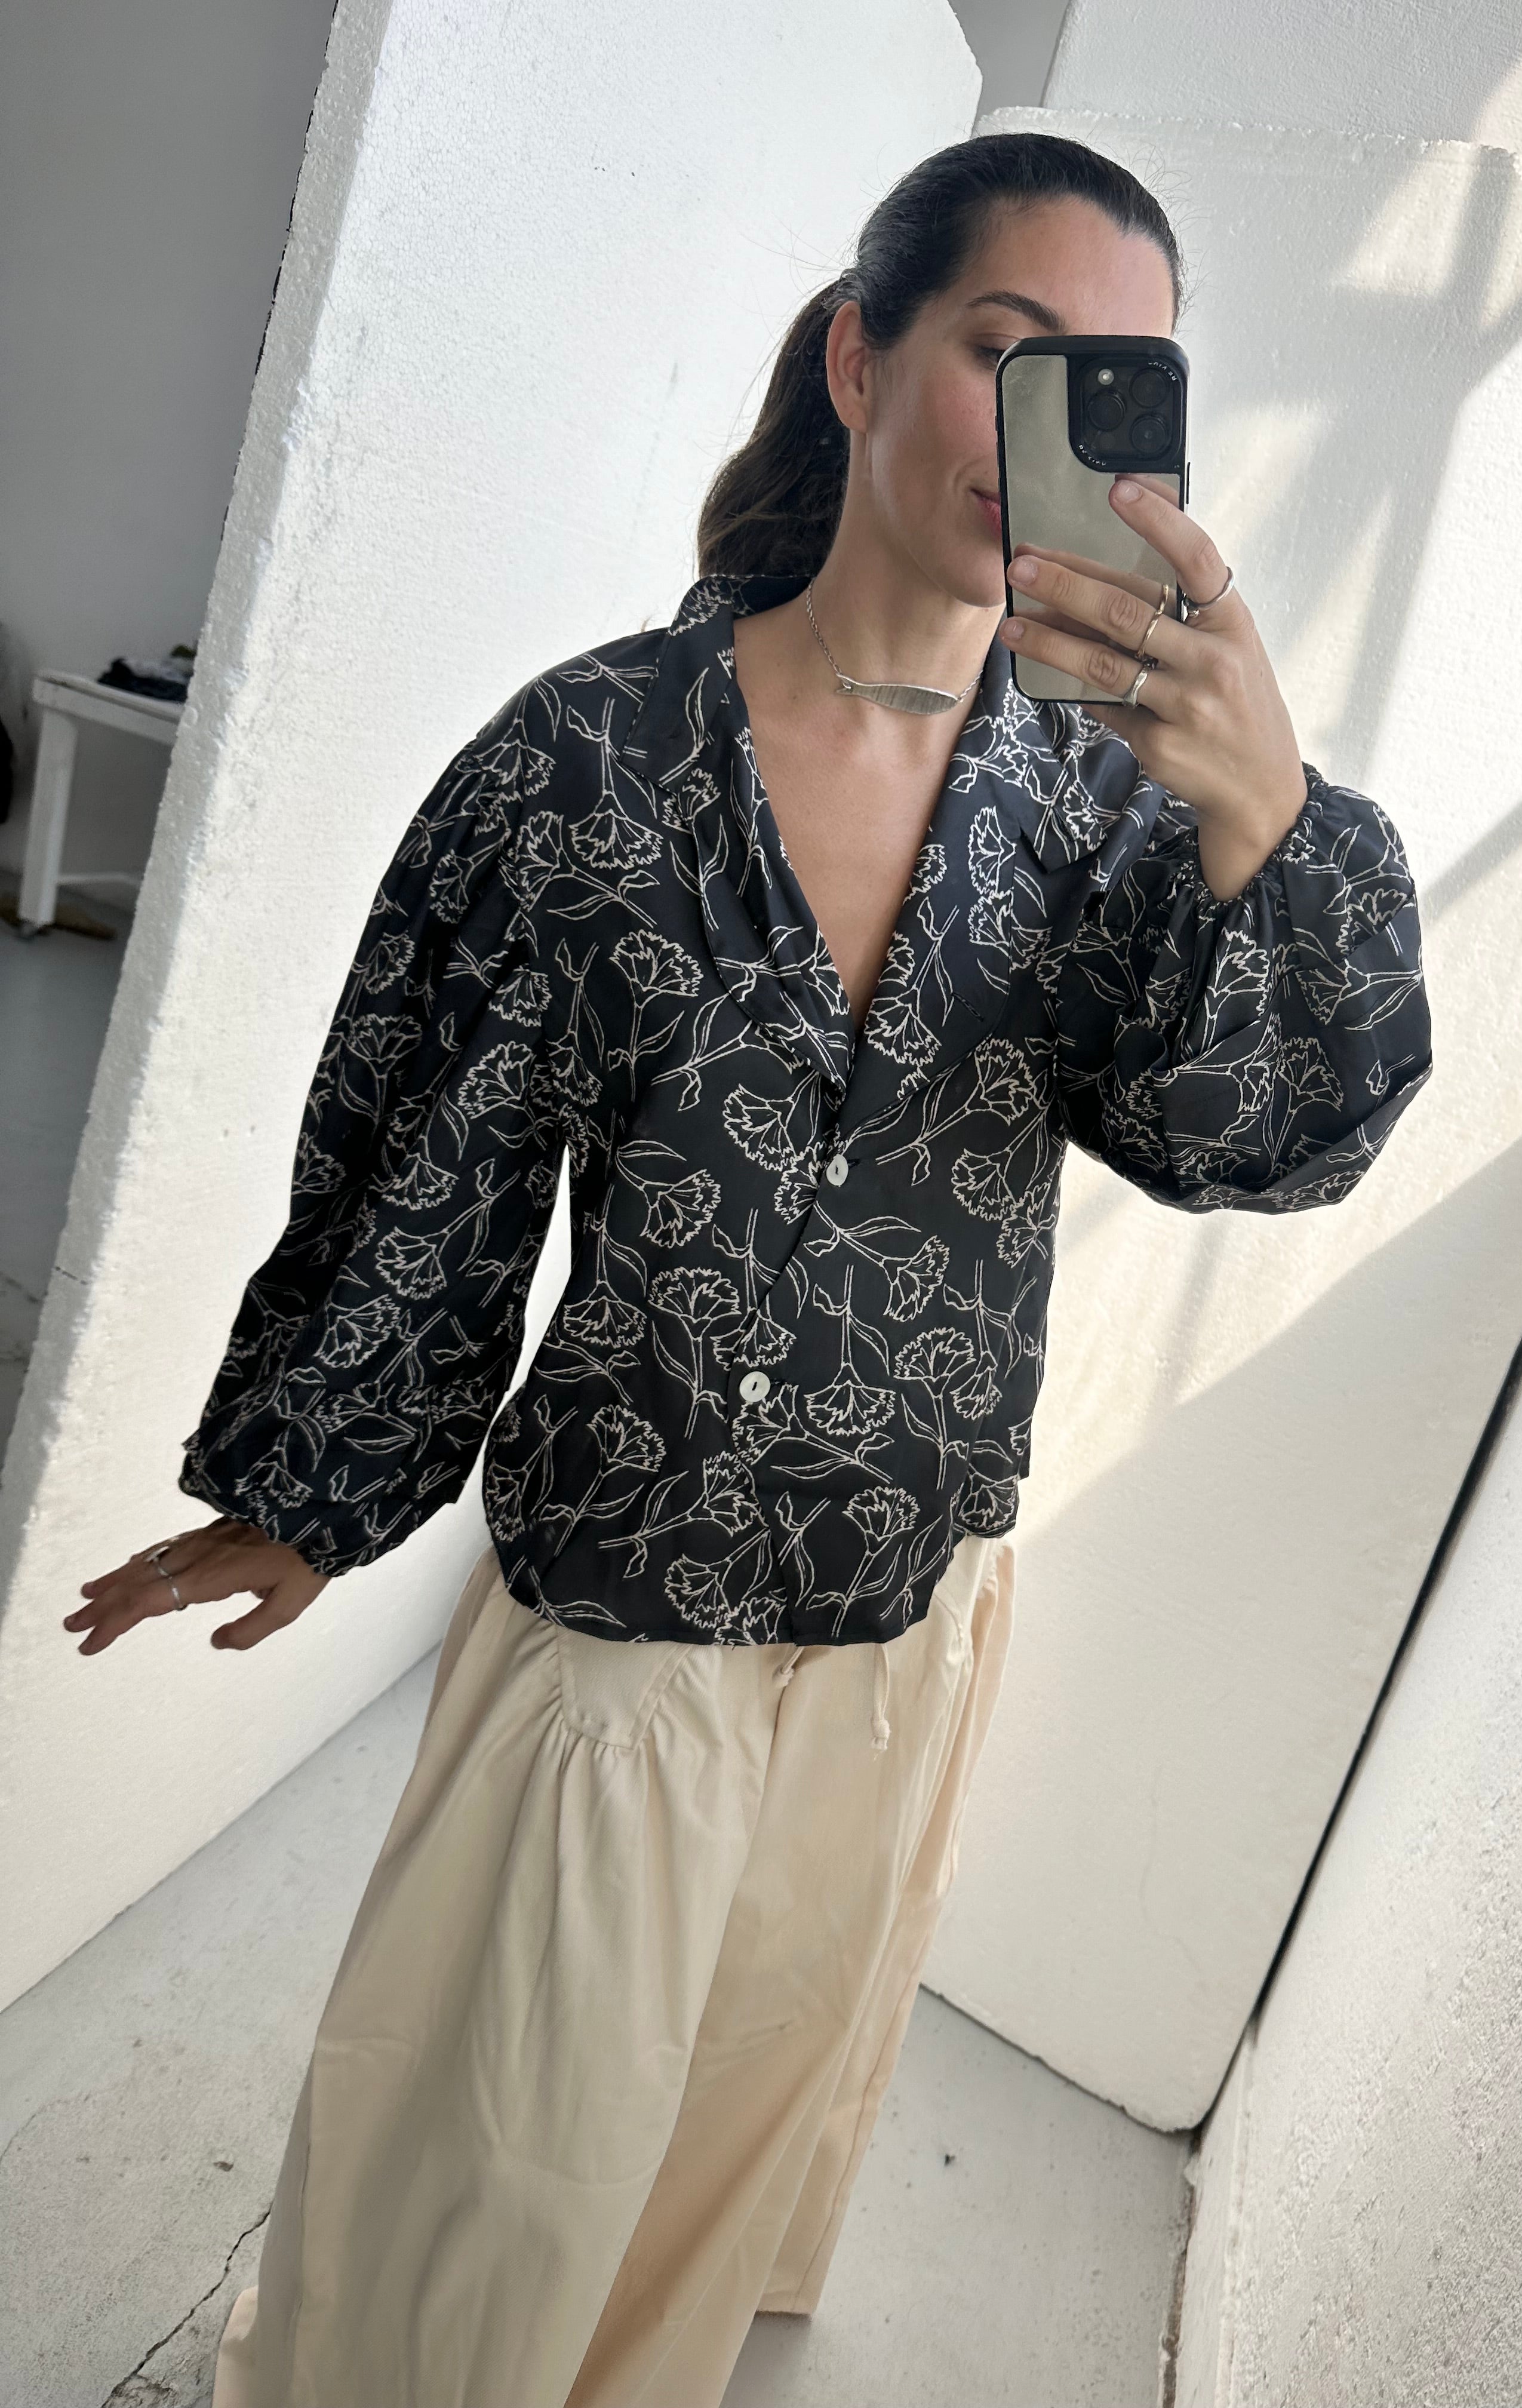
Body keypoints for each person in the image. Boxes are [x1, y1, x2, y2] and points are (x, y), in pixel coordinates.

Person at [66, 131, 1432, 2408]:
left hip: (905, 1627)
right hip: (624, 1624)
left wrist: (1271, 829)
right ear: (859, 357)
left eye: (1118, 388)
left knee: (694, 2215)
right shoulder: (589, 763)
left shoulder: (1115, 816)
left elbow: (1258, 1147)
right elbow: (429, 1145)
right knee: (470, 2217)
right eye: (1008, 351)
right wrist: (311, 1486)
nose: (1052, 433)